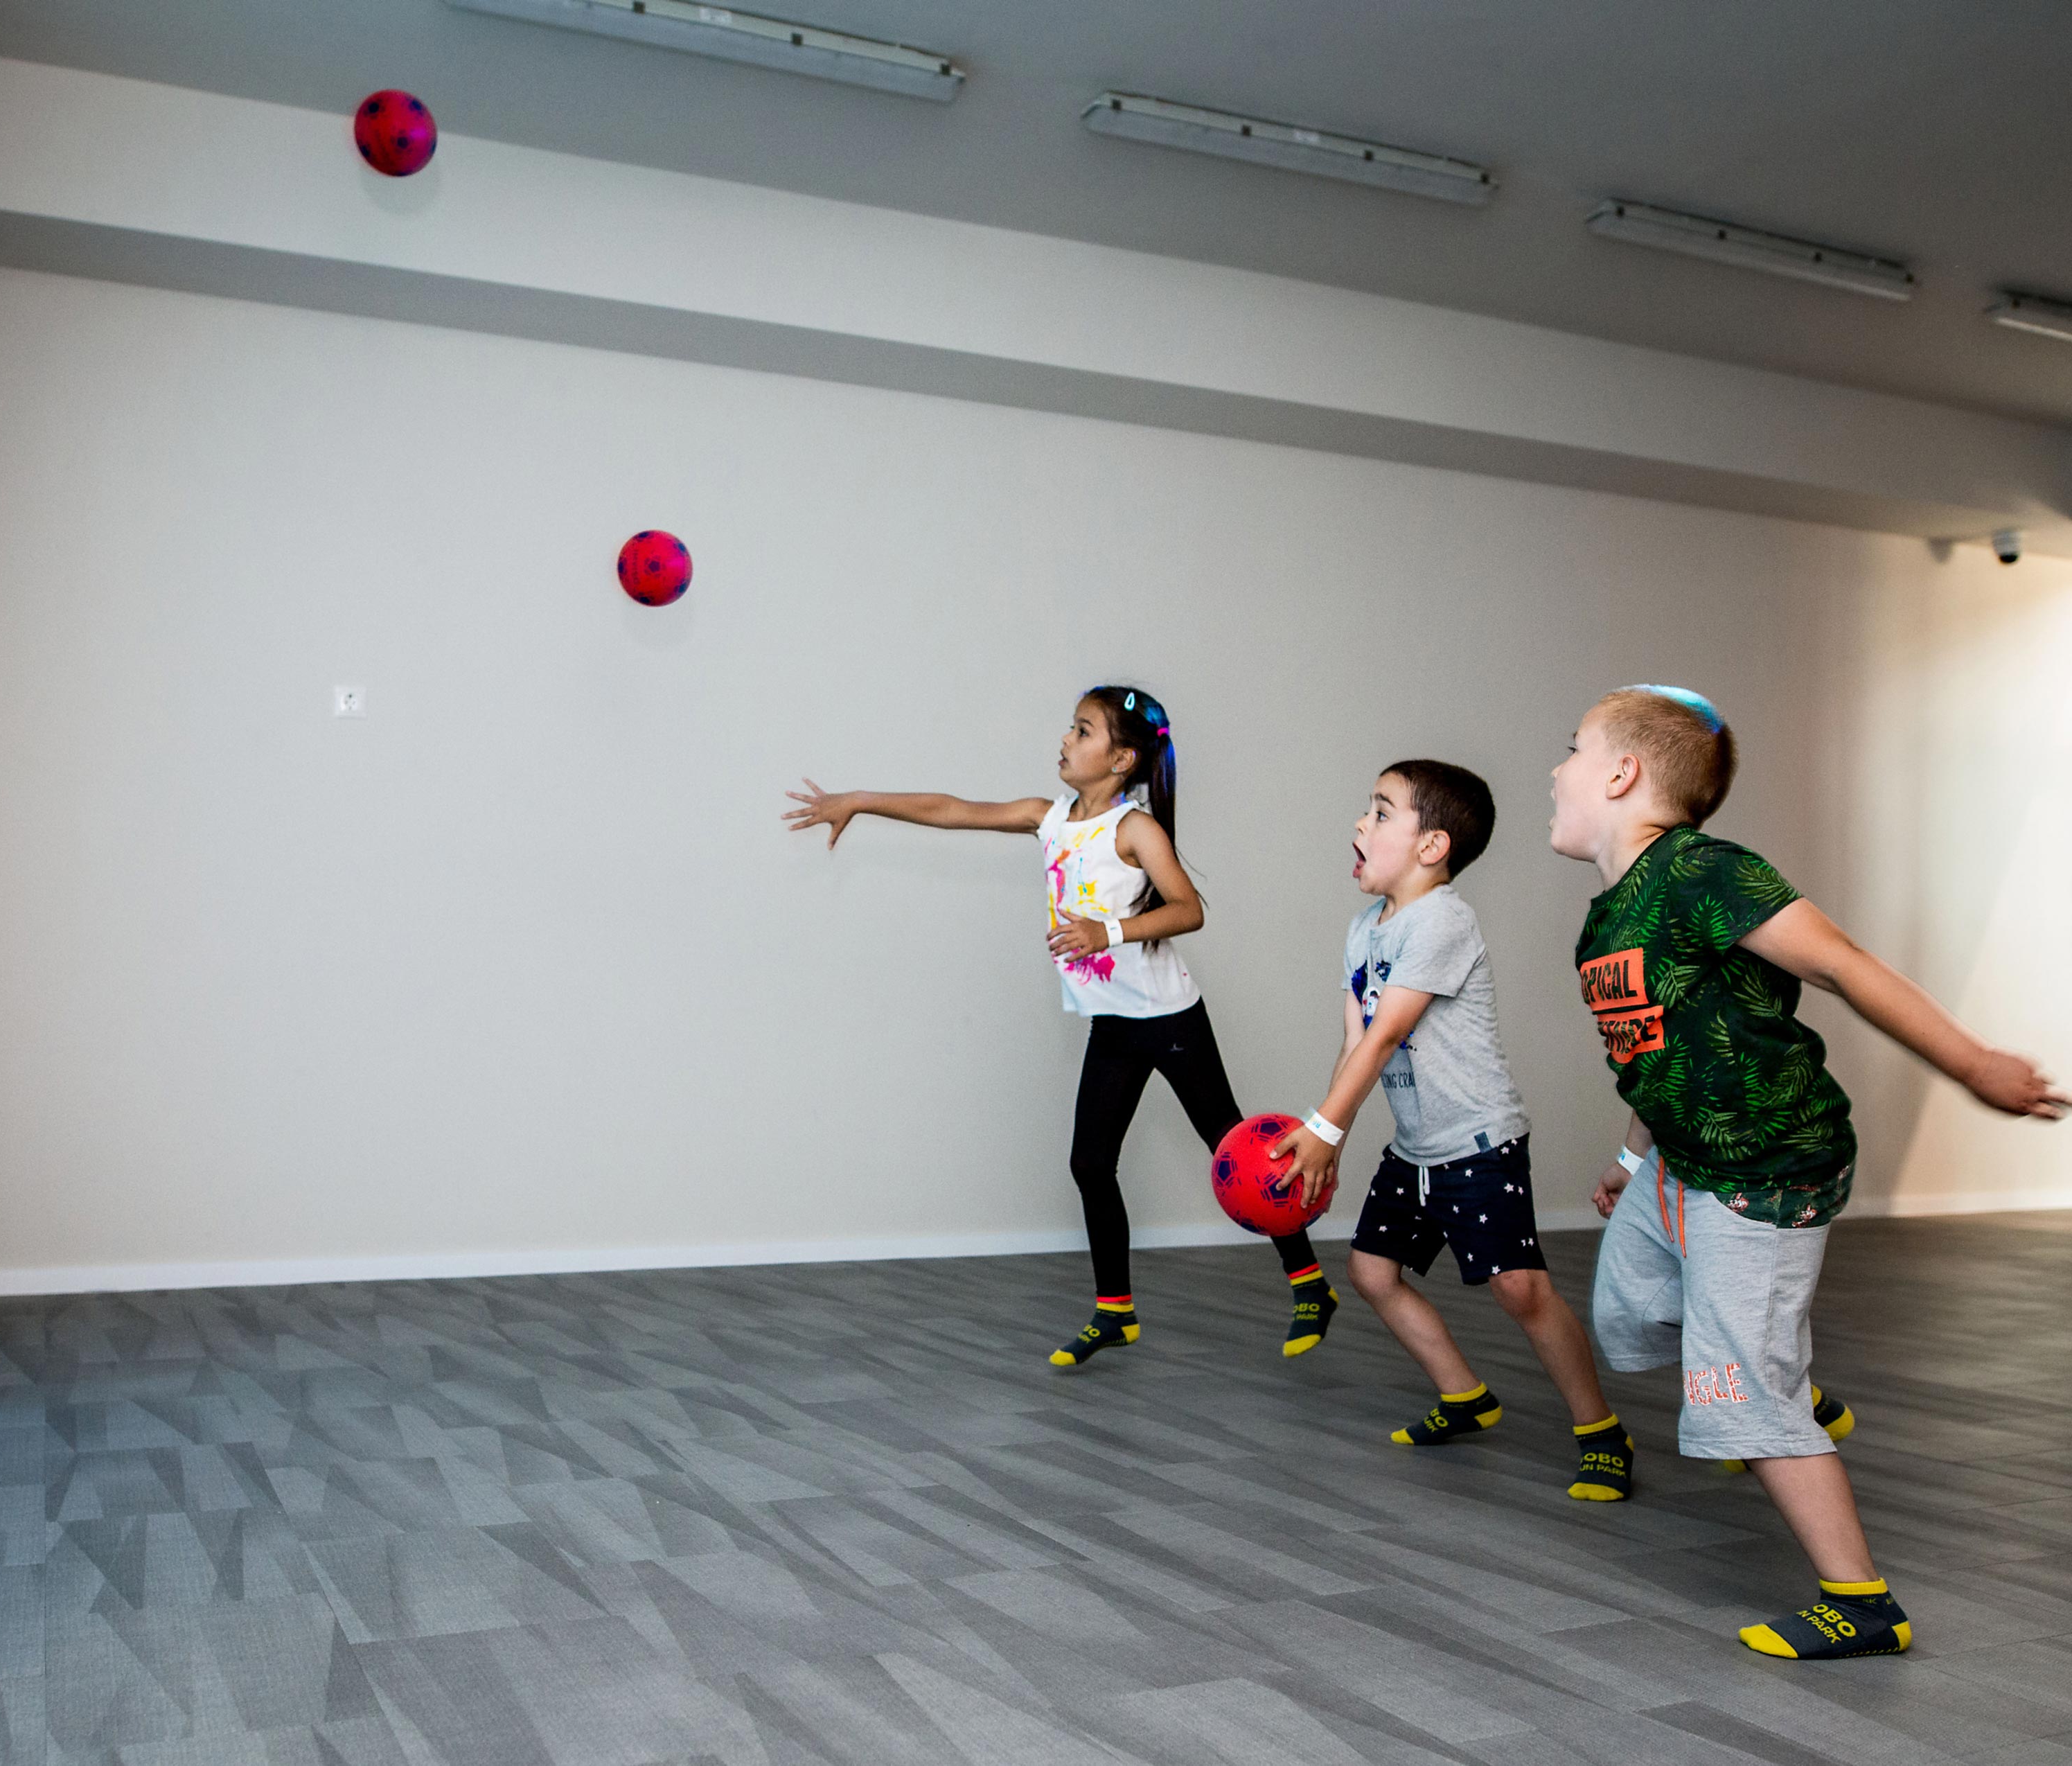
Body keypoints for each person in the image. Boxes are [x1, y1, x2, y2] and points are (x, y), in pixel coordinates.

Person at [1555, 685, 2066, 1659]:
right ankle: (1792, 1387)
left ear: (1622, 774)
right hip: (1681, 1162)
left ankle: (1861, 1600)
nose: (1554, 769)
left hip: (1767, 1170)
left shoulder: (1706, 872)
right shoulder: (1609, 917)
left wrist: (1972, 1064)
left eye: (1571, 750)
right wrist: (1632, 1156)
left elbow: (1841, 963)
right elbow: (1656, 1051)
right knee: (1625, 1310)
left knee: (1736, 1389)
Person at [783, 687, 1337, 1366]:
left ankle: (1310, 1283)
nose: (1065, 739)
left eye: (1082, 730)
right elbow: (952, 809)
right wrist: (859, 799)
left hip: (1169, 1019)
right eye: (1070, 727)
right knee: (1089, 1162)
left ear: (1122, 757)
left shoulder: (1135, 829)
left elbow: (1188, 909)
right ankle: (1115, 1312)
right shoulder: (1049, 819)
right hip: (1113, 1023)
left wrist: (1106, 930)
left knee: (1236, 1149)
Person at [1276, 762, 1631, 1499]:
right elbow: (1353, 1043)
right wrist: (1326, 1138)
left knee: (1520, 1289)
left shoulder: (1442, 919)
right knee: (1371, 1272)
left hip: (1477, 1140)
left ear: (1432, 844)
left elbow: (1385, 1037)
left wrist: (1323, 1129)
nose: (1359, 824)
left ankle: (1601, 1430)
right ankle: (1464, 1393)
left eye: (1379, 812)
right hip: (1414, 1147)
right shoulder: (1361, 929)